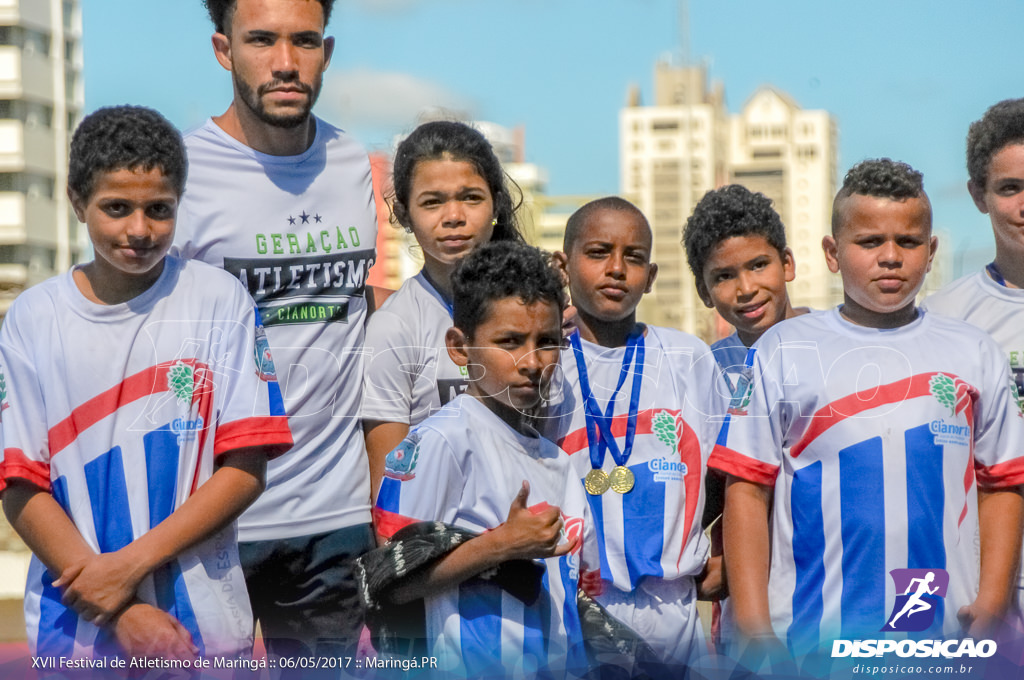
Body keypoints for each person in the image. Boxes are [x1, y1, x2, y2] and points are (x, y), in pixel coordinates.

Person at [0, 106, 292, 660]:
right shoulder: (33, 319)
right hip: (76, 634)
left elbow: (246, 470)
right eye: (116, 208)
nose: (139, 229)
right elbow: (20, 485)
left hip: (200, 630)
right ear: (77, 201)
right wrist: (121, 607)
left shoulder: (218, 300)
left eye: (159, 210)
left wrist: (126, 571)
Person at [710, 159, 1024, 664]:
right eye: (870, 242)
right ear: (833, 253)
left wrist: (991, 602)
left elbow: (1002, 484)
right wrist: (753, 625)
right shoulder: (781, 349)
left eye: (908, 241)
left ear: (932, 250)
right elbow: (747, 489)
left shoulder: (974, 351)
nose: (891, 257)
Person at [172, 0, 378, 661]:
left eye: (304, 41)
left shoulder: (356, 166)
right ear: (222, 49)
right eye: (261, 40)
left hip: (336, 521)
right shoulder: (175, 175)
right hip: (209, 520)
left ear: (328, 50)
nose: (286, 63)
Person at [372, 241, 594, 678]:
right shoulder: (442, 441)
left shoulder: (557, 461)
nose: (532, 362)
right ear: (459, 347)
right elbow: (387, 581)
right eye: (509, 342)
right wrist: (500, 545)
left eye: (546, 342)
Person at [545, 197, 727, 672]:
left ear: (652, 274)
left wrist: (720, 549)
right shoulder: (544, 363)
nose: (617, 269)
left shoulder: (688, 358)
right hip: (572, 606)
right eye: (599, 252)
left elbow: (729, 472)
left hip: (672, 612)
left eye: (634, 257)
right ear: (564, 264)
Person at [362, 121, 524, 501]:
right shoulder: (394, 328)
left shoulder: (539, 317)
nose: (453, 216)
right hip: (442, 547)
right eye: (432, 202)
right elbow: (388, 492)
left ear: (497, 204)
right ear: (403, 214)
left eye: (471, 197)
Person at [682, 184, 809, 388]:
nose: (747, 289)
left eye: (759, 266)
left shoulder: (838, 338)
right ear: (704, 292)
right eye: (724, 276)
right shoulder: (707, 375)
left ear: (787, 264)